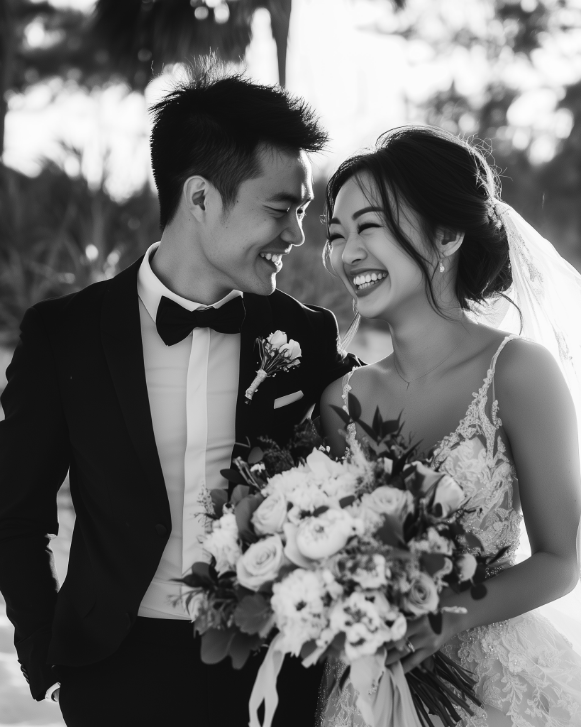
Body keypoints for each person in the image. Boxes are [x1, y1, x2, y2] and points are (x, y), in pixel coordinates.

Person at [0, 62, 359, 727]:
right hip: (112, 669)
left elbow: (363, 475)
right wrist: (44, 650)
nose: (296, 235)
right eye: (281, 208)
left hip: (270, 670)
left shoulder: (306, 335)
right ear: (200, 198)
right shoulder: (64, 334)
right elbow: (14, 511)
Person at [318, 125, 581, 726]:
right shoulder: (340, 400)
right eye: (336, 235)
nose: (347, 252)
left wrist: (445, 616)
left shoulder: (517, 372)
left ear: (447, 235)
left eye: (369, 227)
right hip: (369, 689)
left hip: (497, 685)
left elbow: (561, 560)